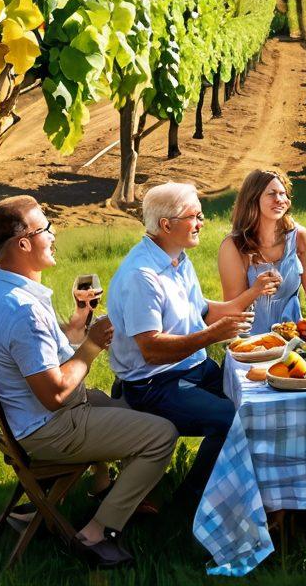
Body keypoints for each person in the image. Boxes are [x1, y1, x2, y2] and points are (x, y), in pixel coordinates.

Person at [0, 195, 178, 569]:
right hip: (50, 427)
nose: (54, 235)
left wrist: (80, 318)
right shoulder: (23, 311)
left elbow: (41, 353)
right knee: (161, 435)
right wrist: (92, 345)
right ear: (24, 244)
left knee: (128, 406)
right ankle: (98, 531)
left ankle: (103, 490)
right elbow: (54, 394)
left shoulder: (1, 290)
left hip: (26, 420)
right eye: (46, 228)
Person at [106, 183, 252, 506]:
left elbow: (203, 311)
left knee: (252, 401)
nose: (201, 223)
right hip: (153, 384)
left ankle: (246, 486)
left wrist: (250, 299)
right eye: (194, 216)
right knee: (230, 419)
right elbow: (152, 350)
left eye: (201, 215)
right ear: (166, 225)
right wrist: (212, 335)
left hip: (192, 367)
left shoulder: (178, 259)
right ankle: (192, 500)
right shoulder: (142, 276)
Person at [217, 168, 306, 334]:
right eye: (271, 194)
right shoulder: (234, 245)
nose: (279, 199)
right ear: (253, 199)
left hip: (292, 340)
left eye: (283, 194)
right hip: (251, 343)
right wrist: (255, 290)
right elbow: (231, 311)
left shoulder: (299, 237)